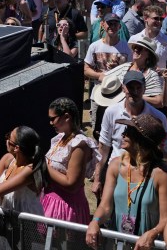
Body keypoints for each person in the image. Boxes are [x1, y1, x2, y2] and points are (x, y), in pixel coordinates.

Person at [87, 113, 167, 250]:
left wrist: (153, 233)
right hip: (117, 244)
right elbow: (105, 206)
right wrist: (95, 221)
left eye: (129, 132)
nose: (123, 134)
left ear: (142, 141)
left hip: (146, 246)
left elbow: (166, 219)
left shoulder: (161, 175)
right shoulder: (115, 165)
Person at [93, 70, 167, 201]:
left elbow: (165, 151)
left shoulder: (158, 117)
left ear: (144, 89)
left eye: (138, 87)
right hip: (115, 172)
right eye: (130, 87)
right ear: (123, 88)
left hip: (145, 175)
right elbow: (103, 148)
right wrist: (97, 179)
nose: (134, 91)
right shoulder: (111, 112)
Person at [42, 97, 100, 233]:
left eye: (53, 118)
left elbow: (72, 184)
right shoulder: (59, 138)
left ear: (66, 117)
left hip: (66, 209)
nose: (50, 123)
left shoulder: (80, 144)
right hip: (50, 202)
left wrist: (43, 166)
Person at [0, 125, 45, 244]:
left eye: (9, 137)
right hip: (3, 224)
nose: (6, 139)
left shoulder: (30, 169)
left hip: (25, 228)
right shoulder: (7, 159)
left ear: (16, 148)